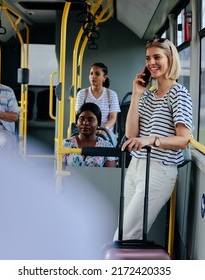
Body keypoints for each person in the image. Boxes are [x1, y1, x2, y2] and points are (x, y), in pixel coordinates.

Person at [114, 37, 193, 240]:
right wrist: (136, 94)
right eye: (148, 58)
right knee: (125, 234)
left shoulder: (179, 94)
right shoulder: (148, 95)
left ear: (170, 59)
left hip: (159, 170)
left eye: (157, 57)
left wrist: (151, 139)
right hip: (137, 167)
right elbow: (131, 134)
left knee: (124, 237)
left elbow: (184, 139)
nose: (151, 63)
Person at [75, 62, 120, 145]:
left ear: (104, 77)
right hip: (86, 131)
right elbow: (79, 116)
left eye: (97, 74)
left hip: (105, 133)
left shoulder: (112, 95)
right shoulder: (82, 94)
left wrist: (104, 129)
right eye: (91, 73)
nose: (93, 76)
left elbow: (113, 118)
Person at [63, 102, 117, 167]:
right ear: (76, 122)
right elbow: (60, 173)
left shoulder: (106, 146)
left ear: (98, 124)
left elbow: (111, 174)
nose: (85, 123)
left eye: (90, 120)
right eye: (81, 119)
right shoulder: (66, 144)